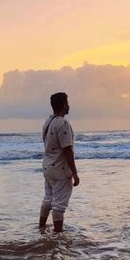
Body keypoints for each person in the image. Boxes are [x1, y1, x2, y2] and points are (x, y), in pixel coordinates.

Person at [39, 91, 80, 233]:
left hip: (47, 166)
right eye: (67, 103)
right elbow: (68, 150)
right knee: (59, 205)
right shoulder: (63, 124)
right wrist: (74, 173)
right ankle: (58, 236)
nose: (68, 106)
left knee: (48, 199)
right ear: (63, 105)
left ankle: (41, 228)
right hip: (60, 169)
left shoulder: (48, 121)